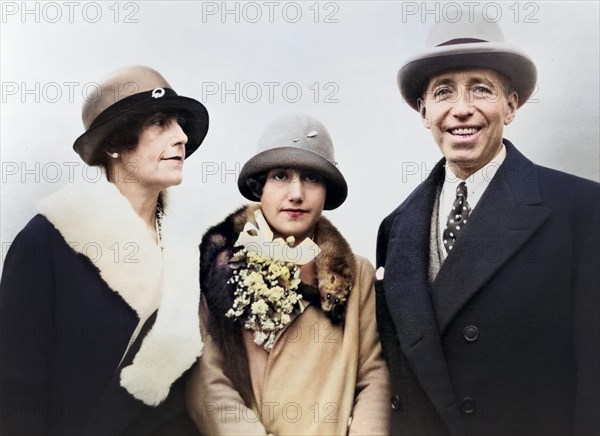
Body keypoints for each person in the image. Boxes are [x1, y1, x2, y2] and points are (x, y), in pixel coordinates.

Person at [376, 14, 599, 436]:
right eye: (443, 92)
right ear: (424, 112)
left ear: (511, 106)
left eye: (481, 88)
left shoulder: (583, 210)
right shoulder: (395, 228)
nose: (462, 109)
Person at [0, 65, 209, 435]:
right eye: (161, 123)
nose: (181, 137)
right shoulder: (48, 241)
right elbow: (15, 391)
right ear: (113, 144)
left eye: (179, 124)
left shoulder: (188, 253)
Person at [186, 113, 390, 435]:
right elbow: (210, 379)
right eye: (281, 176)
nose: (296, 193)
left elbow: (373, 377)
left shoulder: (356, 274)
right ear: (260, 187)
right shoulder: (224, 266)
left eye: (311, 178)